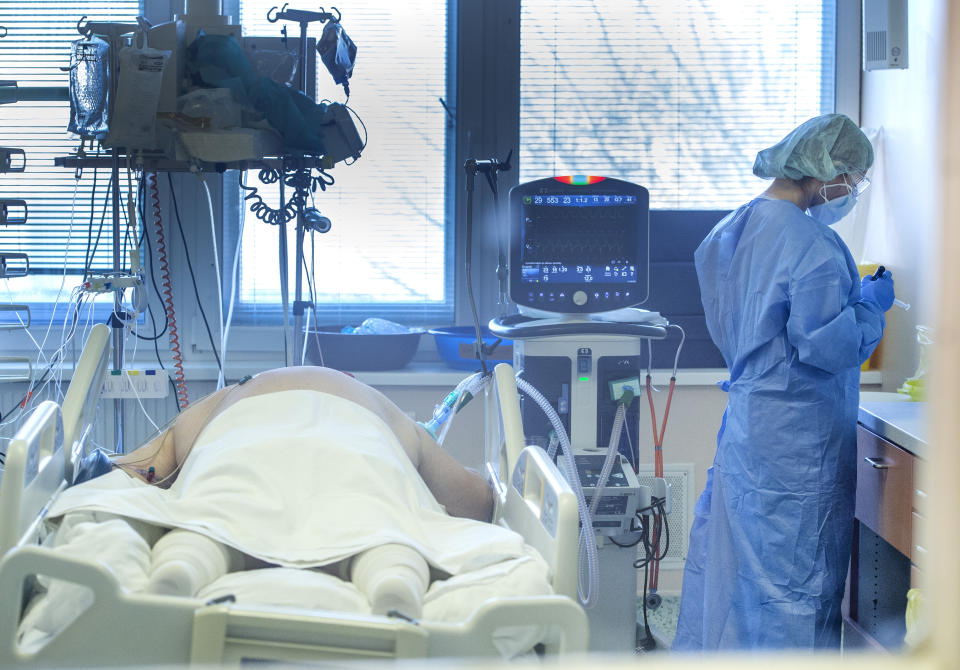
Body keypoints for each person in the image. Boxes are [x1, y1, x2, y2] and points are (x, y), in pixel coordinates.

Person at [672, 113, 896, 651]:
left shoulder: (732, 229)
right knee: (795, 580)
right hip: (798, 437)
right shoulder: (812, 244)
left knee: (732, 569)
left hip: (751, 428)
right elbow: (827, 346)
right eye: (854, 178)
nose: (852, 191)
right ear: (825, 170)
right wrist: (869, 308)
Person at [63, 366, 506, 618]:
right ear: (349, 380)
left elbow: (140, 470)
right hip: (359, 448)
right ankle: (394, 579)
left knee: (211, 516)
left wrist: (74, 470)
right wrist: (503, 483)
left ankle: (183, 564)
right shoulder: (385, 410)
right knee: (384, 525)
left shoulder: (228, 397)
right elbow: (474, 501)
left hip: (243, 440)